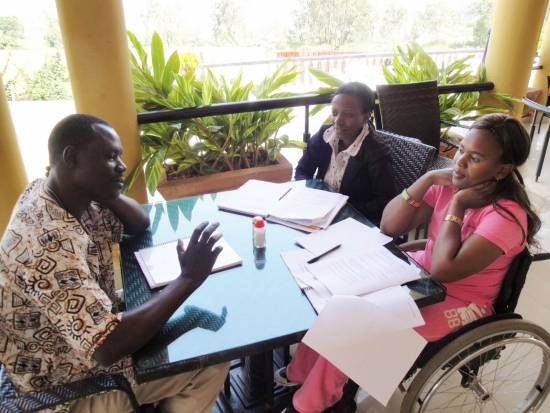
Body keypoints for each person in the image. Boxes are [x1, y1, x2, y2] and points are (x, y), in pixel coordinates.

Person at [276, 113, 540, 413]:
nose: (460, 162)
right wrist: (426, 179)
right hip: (419, 274)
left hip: (462, 300)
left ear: (502, 169)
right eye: (461, 150)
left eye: (475, 158)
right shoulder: (450, 183)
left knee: (359, 328)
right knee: (340, 296)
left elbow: (444, 270)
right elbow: (389, 227)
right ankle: (300, 374)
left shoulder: (505, 217)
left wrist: (457, 205)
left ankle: (309, 405)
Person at [0, 114, 230, 413]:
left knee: (166, 304)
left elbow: (139, 222)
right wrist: (187, 279)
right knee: (211, 356)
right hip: (65, 390)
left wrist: (108, 192)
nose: (121, 166)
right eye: (110, 157)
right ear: (71, 158)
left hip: (77, 343)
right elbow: (107, 347)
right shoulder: (46, 240)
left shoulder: (58, 195)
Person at [294, 82, 398, 224]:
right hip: (320, 215)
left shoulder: (376, 152)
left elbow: (385, 202)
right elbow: (302, 171)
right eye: (335, 113)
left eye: (347, 115)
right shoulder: (325, 136)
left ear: (366, 117)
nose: (337, 121)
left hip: (355, 223)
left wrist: (339, 209)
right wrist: (313, 198)